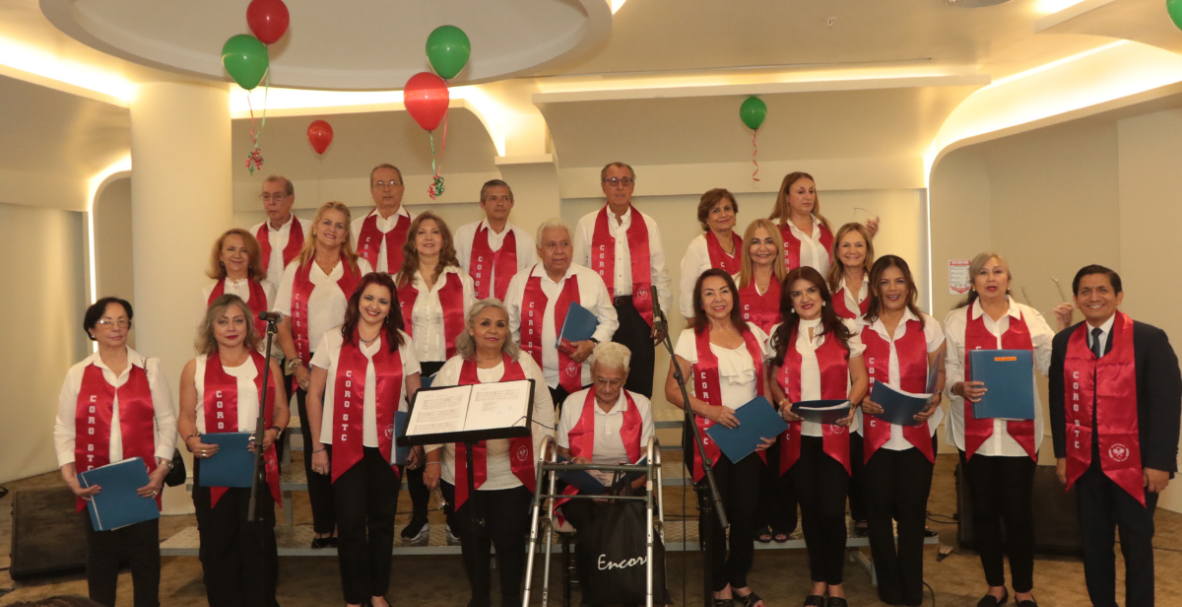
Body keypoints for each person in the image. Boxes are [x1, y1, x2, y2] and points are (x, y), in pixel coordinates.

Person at [1048, 265, 1181, 607]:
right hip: (1085, 463)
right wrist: (1062, 454)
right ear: (1077, 299)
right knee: (1094, 545)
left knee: (1137, 544)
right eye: (1086, 291)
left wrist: (1160, 462)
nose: (1095, 297)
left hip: (1135, 466)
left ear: (1118, 296)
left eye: (1103, 290)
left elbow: (1167, 403)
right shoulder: (1064, 341)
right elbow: (1058, 399)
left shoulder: (1148, 339)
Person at [423, 299, 556, 607]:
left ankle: (512, 599)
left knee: (511, 544)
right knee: (473, 543)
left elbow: (544, 407)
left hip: (512, 475)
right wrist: (432, 461)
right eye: (485, 323)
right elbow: (433, 416)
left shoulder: (523, 362)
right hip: (463, 475)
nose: (493, 330)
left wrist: (541, 446)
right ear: (471, 329)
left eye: (500, 324)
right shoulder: (454, 367)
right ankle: (479, 598)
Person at [304, 273, 423, 607]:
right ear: (357, 300)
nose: (375, 306)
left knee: (383, 523)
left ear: (391, 308)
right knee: (352, 524)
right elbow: (314, 395)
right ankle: (355, 598)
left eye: (383, 301)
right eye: (369, 298)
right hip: (343, 446)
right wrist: (316, 446)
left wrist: (417, 442)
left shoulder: (401, 342)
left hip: (388, 447)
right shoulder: (332, 340)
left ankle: (377, 591)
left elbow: (416, 396)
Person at [943, 252, 1054, 607]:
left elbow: (1052, 365)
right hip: (974, 433)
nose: (991, 278)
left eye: (998, 271)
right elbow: (948, 370)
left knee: (1019, 513)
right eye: (983, 273)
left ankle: (1023, 588)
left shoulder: (1031, 318)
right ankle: (995, 587)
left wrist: (1064, 332)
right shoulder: (957, 320)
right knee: (984, 513)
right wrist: (959, 387)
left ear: (1008, 278)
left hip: (1020, 435)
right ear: (972, 282)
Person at [54, 297, 177, 607]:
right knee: (101, 558)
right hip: (97, 483)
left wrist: (161, 469)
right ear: (92, 329)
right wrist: (69, 474)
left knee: (145, 557)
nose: (116, 327)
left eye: (122, 320)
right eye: (107, 321)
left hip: (142, 480)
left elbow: (166, 421)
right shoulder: (78, 374)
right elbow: (64, 428)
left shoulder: (149, 368)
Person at [666, 269, 774, 607]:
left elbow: (765, 386)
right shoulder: (689, 338)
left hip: (749, 436)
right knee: (713, 515)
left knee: (745, 513)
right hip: (708, 439)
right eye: (709, 293)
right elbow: (672, 390)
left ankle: (739, 579)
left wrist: (769, 427)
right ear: (700, 301)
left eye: (724, 291)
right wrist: (710, 410)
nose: (718, 299)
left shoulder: (754, 333)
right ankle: (718, 585)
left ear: (733, 296)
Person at [177, 295, 288, 607]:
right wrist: (190, 441)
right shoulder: (194, 368)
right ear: (211, 327)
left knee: (258, 545)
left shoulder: (266, 365)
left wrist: (273, 432)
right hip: (212, 466)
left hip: (255, 466)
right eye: (222, 321)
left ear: (249, 326)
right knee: (218, 546)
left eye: (238, 320)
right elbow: (186, 415)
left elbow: (281, 411)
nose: (230, 327)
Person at [768, 266, 868, 607]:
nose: (805, 298)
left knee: (831, 511)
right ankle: (819, 582)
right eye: (797, 293)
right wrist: (782, 404)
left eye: (811, 290)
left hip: (837, 435)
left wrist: (852, 405)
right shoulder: (780, 334)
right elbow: (773, 381)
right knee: (809, 512)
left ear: (823, 294)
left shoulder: (845, 330)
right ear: (790, 301)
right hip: (799, 437)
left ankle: (837, 584)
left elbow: (860, 379)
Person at [276, 201, 374, 548]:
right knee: (318, 446)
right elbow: (283, 322)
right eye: (327, 223)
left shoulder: (359, 266)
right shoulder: (295, 268)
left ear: (347, 233)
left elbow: (372, 313)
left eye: (340, 225)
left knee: (350, 444)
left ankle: (351, 521)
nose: (333, 229)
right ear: (315, 227)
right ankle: (324, 524)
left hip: (351, 368)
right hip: (309, 370)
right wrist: (295, 365)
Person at [856, 256, 945, 607]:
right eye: (885, 282)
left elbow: (938, 370)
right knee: (876, 516)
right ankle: (888, 583)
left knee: (913, 516)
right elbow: (851, 375)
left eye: (899, 282)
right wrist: (858, 400)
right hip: (872, 435)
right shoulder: (857, 327)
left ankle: (912, 584)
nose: (893, 289)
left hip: (917, 434)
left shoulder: (927, 325)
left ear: (908, 286)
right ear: (874, 288)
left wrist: (936, 396)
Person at [393, 211, 475, 544]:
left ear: (444, 240)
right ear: (412, 241)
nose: (428, 237)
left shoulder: (461, 279)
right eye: (422, 232)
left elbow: (471, 328)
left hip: (449, 369)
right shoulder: (397, 280)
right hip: (409, 372)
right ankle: (419, 516)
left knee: (450, 447)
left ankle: (455, 517)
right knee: (416, 447)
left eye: (435, 232)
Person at [555, 343, 655, 580]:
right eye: (601, 380)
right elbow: (562, 454)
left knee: (629, 515)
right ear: (591, 373)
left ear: (626, 376)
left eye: (615, 381)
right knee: (589, 523)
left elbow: (645, 459)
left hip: (629, 485)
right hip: (582, 487)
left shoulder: (641, 404)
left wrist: (621, 491)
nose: (608, 388)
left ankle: (628, 586)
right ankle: (595, 589)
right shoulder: (573, 403)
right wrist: (575, 463)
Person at [573, 162, 671, 399]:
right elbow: (577, 276)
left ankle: (638, 433)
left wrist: (660, 315)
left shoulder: (648, 224)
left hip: (638, 314)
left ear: (633, 186)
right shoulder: (586, 224)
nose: (619, 186)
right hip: (599, 316)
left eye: (625, 181)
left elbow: (659, 274)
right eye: (613, 181)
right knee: (600, 380)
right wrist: (579, 326)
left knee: (639, 380)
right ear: (603, 186)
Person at [506, 218, 619, 408]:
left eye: (564, 244)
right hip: (533, 378)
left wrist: (592, 344)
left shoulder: (591, 279)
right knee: (538, 436)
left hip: (582, 378)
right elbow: (509, 329)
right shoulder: (520, 281)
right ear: (539, 250)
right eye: (551, 245)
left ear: (572, 248)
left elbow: (610, 321)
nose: (559, 251)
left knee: (579, 435)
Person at [731, 218, 792, 543]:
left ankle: (781, 518)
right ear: (747, 248)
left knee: (782, 451)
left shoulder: (791, 285)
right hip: (748, 383)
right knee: (754, 452)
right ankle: (756, 520)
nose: (763, 248)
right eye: (755, 241)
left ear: (778, 247)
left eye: (769, 241)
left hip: (783, 379)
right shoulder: (734, 285)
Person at [825, 222, 875, 536]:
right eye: (846, 245)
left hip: (882, 375)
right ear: (836, 251)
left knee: (875, 452)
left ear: (868, 249)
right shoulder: (828, 291)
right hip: (845, 377)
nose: (853, 251)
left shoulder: (881, 286)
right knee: (851, 447)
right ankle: (856, 511)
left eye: (859, 245)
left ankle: (872, 509)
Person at [768, 172, 878, 275]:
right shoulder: (774, 229)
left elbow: (845, 256)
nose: (808, 196)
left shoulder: (826, 227)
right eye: (801, 192)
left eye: (811, 191)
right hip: (791, 293)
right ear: (787, 197)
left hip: (827, 293)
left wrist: (865, 237)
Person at [454, 179, 537, 301]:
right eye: (493, 198)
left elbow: (532, 282)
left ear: (512, 203)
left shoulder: (524, 239)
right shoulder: (464, 234)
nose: (500, 203)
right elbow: (455, 277)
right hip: (473, 313)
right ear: (482, 204)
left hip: (511, 315)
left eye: (505, 198)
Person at [200, 229, 276, 352]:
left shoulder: (268, 289)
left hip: (260, 360)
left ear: (252, 257)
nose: (237, 255)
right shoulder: (207, 292)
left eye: (244, 250)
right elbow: (203, 334)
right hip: (219, 363)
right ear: (220, 255)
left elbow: (273, 335)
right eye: (231, 249)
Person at [679, 189, 743, 321]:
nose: (723, 214)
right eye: (716, 211)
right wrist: (695, 327)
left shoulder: (745, 245)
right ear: (705, 219)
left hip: (742, 320)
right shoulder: (697, 247)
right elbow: (687, 292)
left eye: (727, 208)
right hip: (709, 322)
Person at [353, 164, 414, 274]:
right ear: (371, 191)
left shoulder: (417, 224)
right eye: (380, 184)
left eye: (392, 183)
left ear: (402, 188)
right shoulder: (356, 227)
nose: (386, 189)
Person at [251, 175, 306, 288]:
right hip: (265, 302)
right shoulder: (254, 233)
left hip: (298, 300)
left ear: (291, 199)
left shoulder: (309, 230)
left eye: (278, 197)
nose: (271, 202)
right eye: (266, 197)